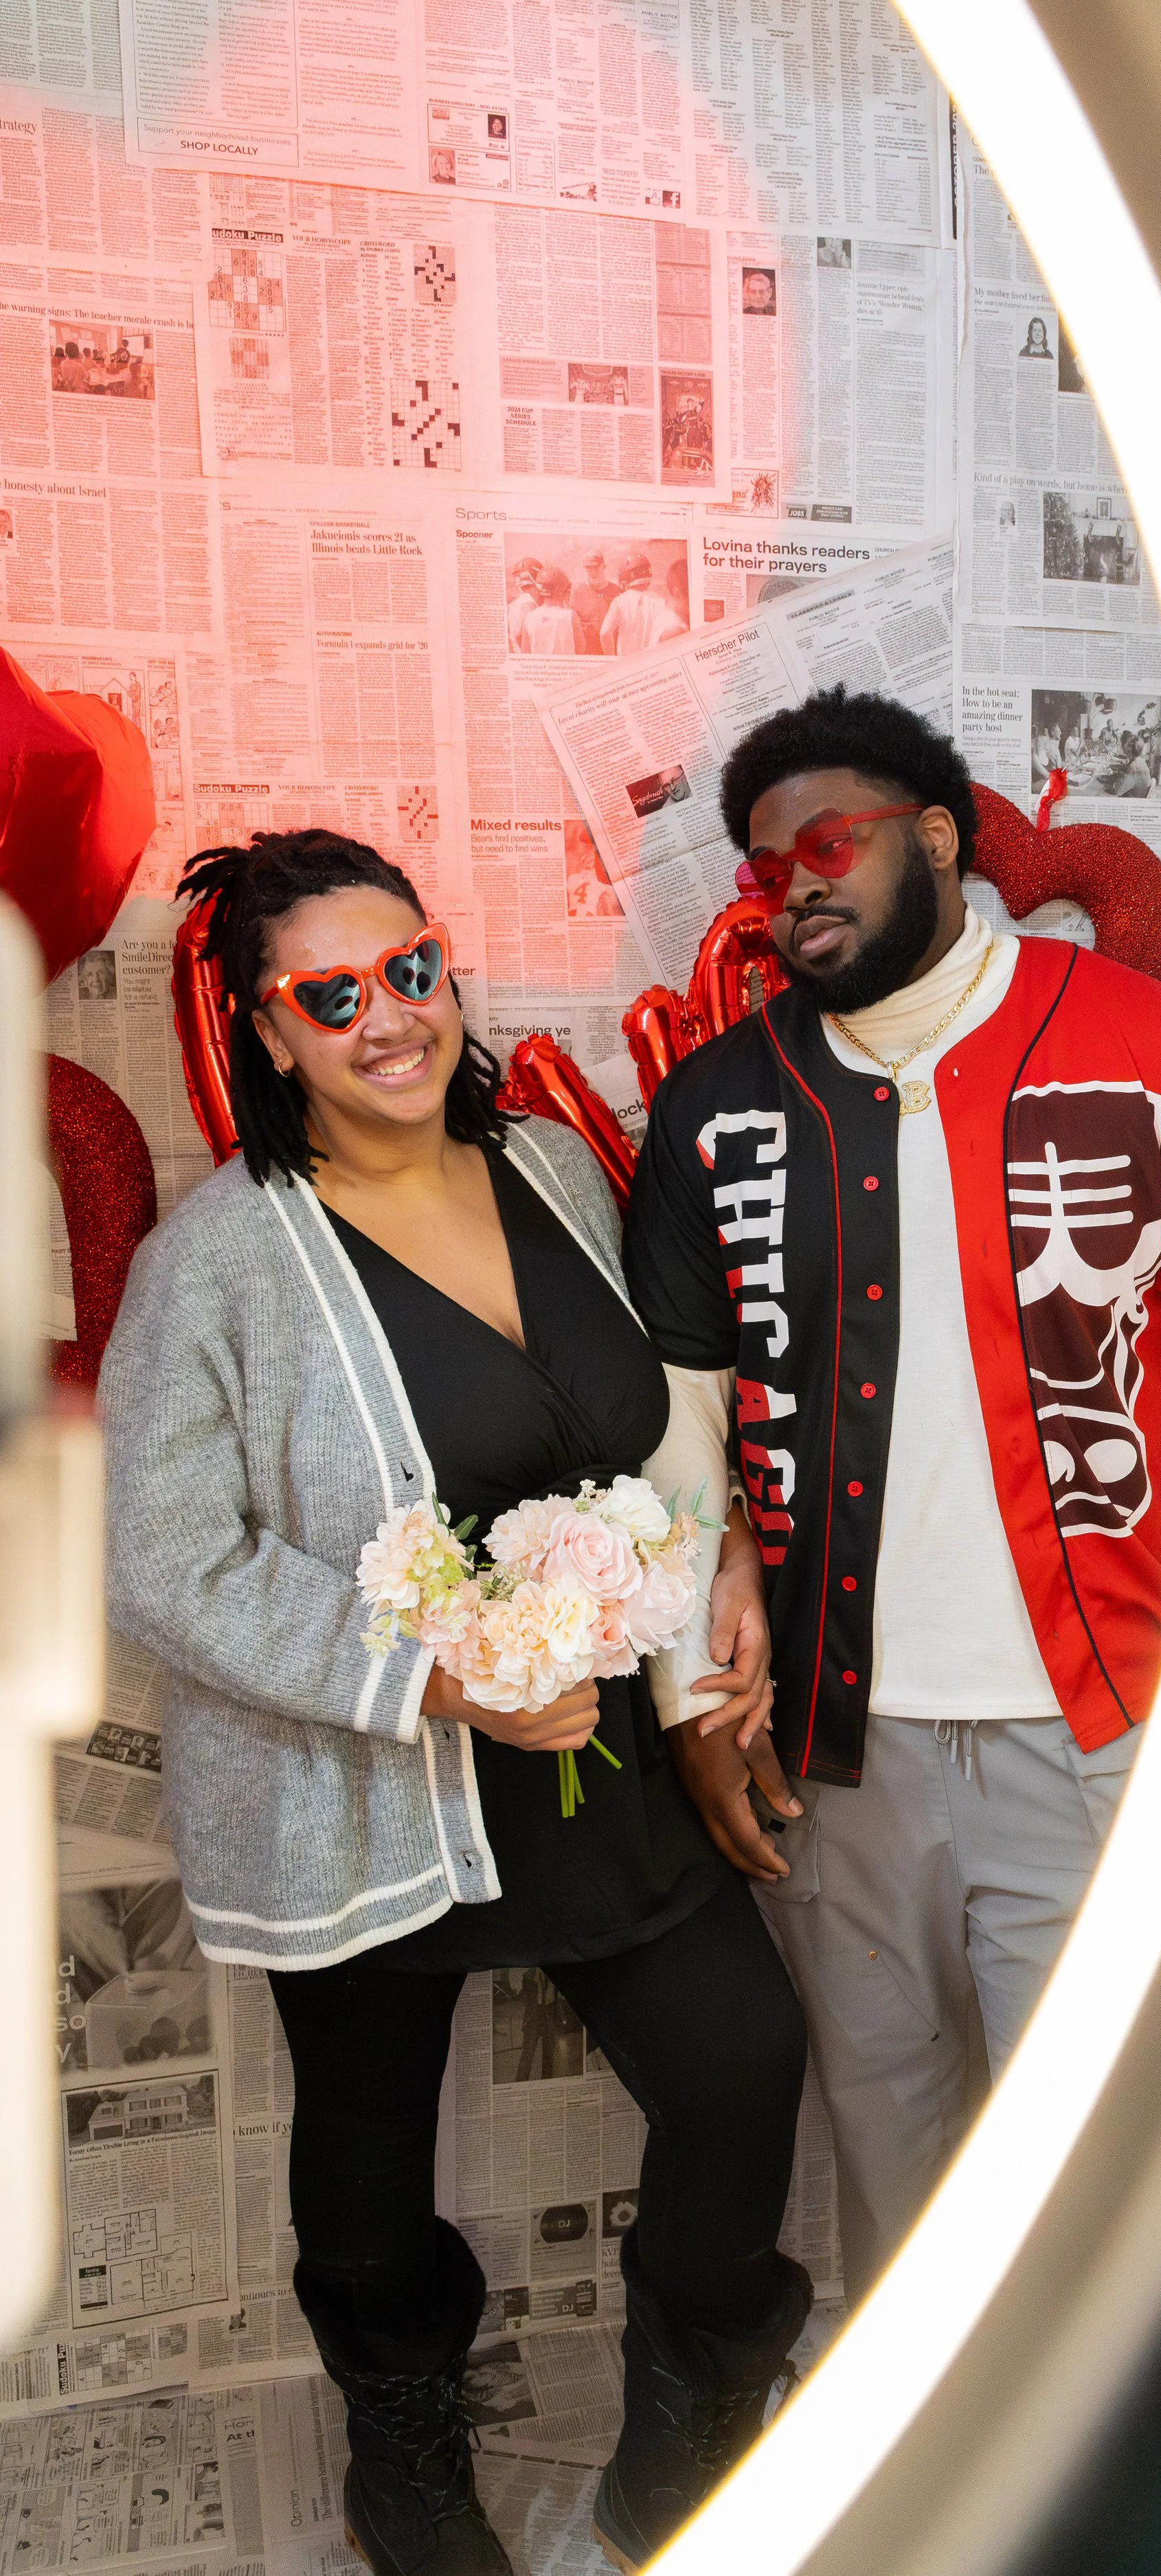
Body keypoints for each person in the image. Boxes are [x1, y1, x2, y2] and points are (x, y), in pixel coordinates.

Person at [100, 828, 811, 2576]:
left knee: (742, 2065)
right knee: (363, 2165)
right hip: (366, 1782)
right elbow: (167, 1556)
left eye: (410, 967)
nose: (388, 1017)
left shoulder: (562, 1167)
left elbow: (660, 1435)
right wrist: (435, 1677)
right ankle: (402, 2462)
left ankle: (683, 2440)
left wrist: (711, 1598)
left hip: (597, 1750)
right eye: (330, 994)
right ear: (266, 1030)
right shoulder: (223, 1258)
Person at [624, 688, 1161, 2298]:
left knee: (1098, 2180)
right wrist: (696, 1695)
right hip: (838, 1744)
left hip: (1096, 1721)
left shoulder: (1147, 1043)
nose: (792, 885)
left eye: (829, 841)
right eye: (765, 868)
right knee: (893, 2167)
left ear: (942, 835)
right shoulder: (715, 1107)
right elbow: (677, 1437)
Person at [600, 554, 688, 657]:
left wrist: (611, 659)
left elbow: (605, 633)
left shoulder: (620, 602)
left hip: (627, 664)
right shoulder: (660, 601)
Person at [522, 564, 576, 655]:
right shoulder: (571, 616)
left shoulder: (529, 617)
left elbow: (524, 652)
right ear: (560, 590)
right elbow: (581, 648)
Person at [571, 550, 618, 654]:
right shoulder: (577, 593)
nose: (593, 573)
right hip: (588, 655)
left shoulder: (617, 592)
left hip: (612, 654)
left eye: (596, 568)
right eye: (589, 569)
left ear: (604, 567)